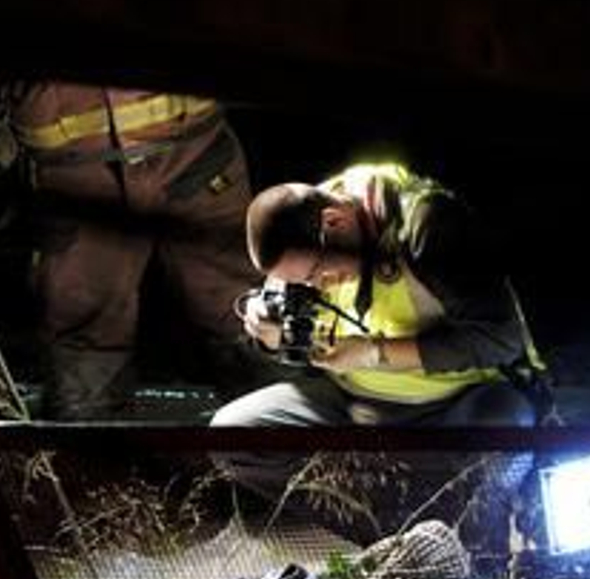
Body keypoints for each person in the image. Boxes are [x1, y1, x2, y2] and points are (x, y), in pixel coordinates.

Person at [0, 64, 276, 418]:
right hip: (78, 178)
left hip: (193, 158)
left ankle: (292, 460)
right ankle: (99, 489)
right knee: (83, 332)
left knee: (247, 313)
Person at [211, 161, 552, 550]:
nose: (316, 286)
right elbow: (292, 329)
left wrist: (375, 353)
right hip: (357, 404)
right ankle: (398, 540)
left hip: (459, 402)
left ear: (335, 221)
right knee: (232, 433)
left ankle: (479, 556)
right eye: (301, 282)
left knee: (501, 428)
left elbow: (499, 338)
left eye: (317, 274)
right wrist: (269, 331)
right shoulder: (306, 236)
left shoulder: (427, 226)